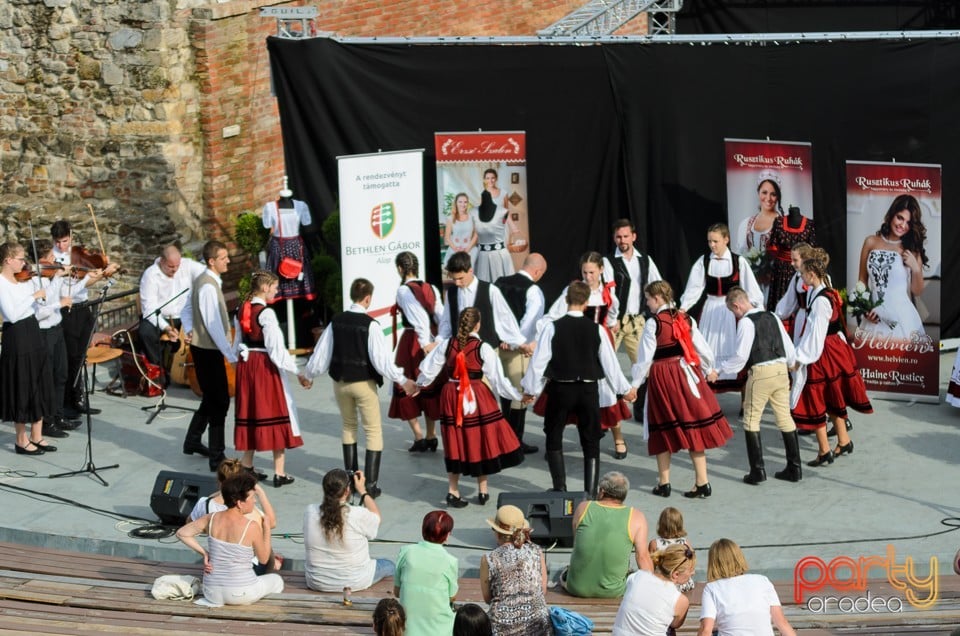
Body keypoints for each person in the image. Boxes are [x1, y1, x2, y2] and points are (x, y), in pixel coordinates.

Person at [301, 278, 417, 498]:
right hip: (364, 383)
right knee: (373, 431)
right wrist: (403, 380)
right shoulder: (370, 325)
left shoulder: (336, 321)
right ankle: (370, 485)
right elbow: (381, 362)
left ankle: (350, 480)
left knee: (348, 426)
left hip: (341, 383)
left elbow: (321, 355)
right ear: (367, 298)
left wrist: (308, 375)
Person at [525, 282, 636, 497]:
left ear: (567, 300)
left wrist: (530, 389)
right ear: (586, 303)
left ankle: (560, 489)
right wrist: (625, 390)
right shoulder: (597, 329)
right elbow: (610, 364)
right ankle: (591, 492)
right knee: (591, 439)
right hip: (587, 390)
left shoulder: (552, 327)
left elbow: (539, 362)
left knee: (553, 435)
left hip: (560, 389)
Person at [633, 280, 733, 499]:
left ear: (657, 298)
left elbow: (644, 360)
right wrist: (708, 369)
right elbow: (702, 347)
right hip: (687, 374)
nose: (647, 303)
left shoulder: (654, 323)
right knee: (693, 426)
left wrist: (634, 385)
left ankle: (664, 483)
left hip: (664, 376)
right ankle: (702, 481)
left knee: (661, 427)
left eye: (648, 299)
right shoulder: (685, 317)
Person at [417, 307, 524, 507]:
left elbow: (428, 369)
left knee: (455, 440)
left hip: (451, 395)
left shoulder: (446, 344)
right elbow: (498, 380)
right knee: (479, 437)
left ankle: (453, 491)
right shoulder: (482, 347)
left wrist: (418, 384)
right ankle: (483, 490)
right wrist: (518, 396)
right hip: (476, 395)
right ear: (478, 325)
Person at [538, 253, 632, 460]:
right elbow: (553, 315)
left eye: (591, 272)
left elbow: (613, 312)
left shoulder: (608, 291)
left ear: (600, 270)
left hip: (599, 341)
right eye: (584, 272)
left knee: (608, 389)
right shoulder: (573, 290)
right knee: (570, 391)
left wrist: (611, 325)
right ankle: (555, 444)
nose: (588, 276)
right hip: (575, 340)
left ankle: (618, 438)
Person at [711, 286, 802, 484]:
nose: (735, 315)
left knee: (751, 420)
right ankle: (795, 468)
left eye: (733, 311)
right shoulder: (772, 316)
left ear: (737, 305)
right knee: (785, 418)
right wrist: (790, 365)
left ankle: (757, 471)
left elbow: (741, 356)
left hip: (761, 373)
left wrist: (719, 371)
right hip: (780, 370)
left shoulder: (746, 322)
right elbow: (787, 345)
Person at [790, 254, 872, 467]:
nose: (801, 278)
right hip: (832, 348)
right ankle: (844, 441)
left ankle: (824, 450)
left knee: (816, 399)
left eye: (802, 274)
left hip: (824, 352)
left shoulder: (820, 302)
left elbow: (816, 335)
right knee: (830, 396)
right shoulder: (824, 291)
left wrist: (801, 357)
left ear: (812, 274)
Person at [233, 270, 302, 487]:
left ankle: (247, 465)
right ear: (265, 287)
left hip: (247, 365)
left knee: (252, 413)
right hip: (264, 366)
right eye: (274, 287)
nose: (276, 291)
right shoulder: (267, 314)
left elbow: (235, 345)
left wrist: (239, 366)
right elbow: (277, 351)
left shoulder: (240, 310)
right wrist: (299, 372)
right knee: (275, 412)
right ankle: (279, 472)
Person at [176, 472, 284, 606]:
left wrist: (205, 553)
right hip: (240, 592)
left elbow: (182, 533)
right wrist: (267, 529)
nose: (254, 501)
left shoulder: (211, 518)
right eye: (252, 497)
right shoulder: (251, 526)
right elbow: (263, 559)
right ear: (239, 503)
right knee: (277, 580)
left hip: (211, 592)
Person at [680, 222, 762, 396]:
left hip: (732, 311)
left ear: (726, 239)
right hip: (711, 310)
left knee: (735, 348)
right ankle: (709, 397)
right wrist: (683, 307)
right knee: (707, 348)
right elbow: (694, 288)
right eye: (710, 241)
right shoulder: (703, 261)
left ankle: (743, 398)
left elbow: (752, 289)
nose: (712, 245)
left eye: (715, 241)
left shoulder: (738, 261)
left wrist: (757, 310)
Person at [50, 220, 119, 418]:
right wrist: (93, 277)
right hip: (68, 311)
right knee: (70, 358)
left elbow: (86, 279)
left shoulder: (78, 254)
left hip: (84, 308)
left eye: (64, 241)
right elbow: (68, 290)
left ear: (71, 237)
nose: (61, 246)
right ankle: (67, 403)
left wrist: (103, 272)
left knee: (80, 357)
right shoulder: (53, 259)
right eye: (58, 242)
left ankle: (78, 398)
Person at [180, 240, 238, 471]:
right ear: (212, 261)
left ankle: (192, 440)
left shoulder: (205, 281)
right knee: (220, 401)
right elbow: (213, 326)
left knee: (212, 399)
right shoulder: (206, 286)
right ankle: (217, 456)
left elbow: (186, 309)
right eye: (224, 258)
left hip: (204, 348)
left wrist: (190, 328)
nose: (228, 261)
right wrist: (229, 355)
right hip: (208, 351)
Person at [603, 219, 664, 422]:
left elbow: (657, 284)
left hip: (638, 320)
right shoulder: (608, 261)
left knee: (643, 365)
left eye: (626, 236)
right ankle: (608, 410)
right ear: (614, 238)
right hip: (615, 321)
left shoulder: (644, 260)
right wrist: (614, 317)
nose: (622, 240)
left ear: (634, 237)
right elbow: (610, 292)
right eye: (619, 237)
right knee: (605, 363)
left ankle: (640, 409)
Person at [0, 241, 57, 456]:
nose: (25, 262)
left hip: (32, 329)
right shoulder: (1, 283)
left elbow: (36, 307)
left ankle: (37, 435)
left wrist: (42, 292)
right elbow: (12, 314)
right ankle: (21, 440)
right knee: (22, 383)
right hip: (16, 335)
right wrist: (33, 296)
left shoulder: (22, 281)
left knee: (38, 380)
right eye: (21, 258)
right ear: (8, 260)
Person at [560, 471, 653, 598]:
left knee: (563, 572)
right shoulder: (637, 517)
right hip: (614, 592)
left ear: (602, 491)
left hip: (576, 588)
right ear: (624, 494)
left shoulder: (583, 507)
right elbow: (642, 557)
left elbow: (578, 541)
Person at [303, 468, 394, 592]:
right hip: (354, 582)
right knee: (390, 565)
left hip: (317, 582)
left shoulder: (310, 511)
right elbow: (377, 517)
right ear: (347, 490)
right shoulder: (356, 514)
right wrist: (363, 491)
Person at [493, 252, 547, 454]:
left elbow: (493, 313)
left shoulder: (499, 283)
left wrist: (501, 339)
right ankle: (514, 441)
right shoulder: (534, 290)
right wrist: (516, 342)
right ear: (537, 271)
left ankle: (504, 438)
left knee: (503, 392)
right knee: (518, 395)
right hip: (518, 350)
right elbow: (530, 322)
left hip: (498, 347)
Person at [389, 251, 443, 452]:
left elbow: (418, 319)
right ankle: (430, 434)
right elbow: (441, 315)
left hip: (414, 340)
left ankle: (419, 436)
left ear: (401, 269)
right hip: (431, 337)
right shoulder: (431, 287)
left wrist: (425, 342)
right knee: (428, 383)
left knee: (406, 383)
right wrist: (438, 340)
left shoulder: (403, 291)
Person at [189, 458, 282, 574]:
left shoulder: (204, 503)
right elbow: (271, 523)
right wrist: (260, 492)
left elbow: (188, 525)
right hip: (248, 568)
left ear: (219, 479)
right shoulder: (245, 507)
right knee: (264, 542)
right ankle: (275, 564)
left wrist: (205, 553)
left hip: (219, 564)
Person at [856, 194, 928, 340]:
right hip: (874, 317)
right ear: (891, 214)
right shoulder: (870, 242)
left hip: (902, 319)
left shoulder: (912, 249)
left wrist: (915, 267)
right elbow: (862, 281)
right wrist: (865, 308)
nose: (903, 225)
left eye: (908, 222)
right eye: (900, 218)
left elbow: (917, 290)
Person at [697, 538, 796, 636]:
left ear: (713, 564)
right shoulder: (762, 580)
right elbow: (782, 623)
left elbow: (706, 630)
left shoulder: (712, 588)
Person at [32, 239, 79, 438]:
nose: (55, 261)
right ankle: (47, 421)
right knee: (48, 379)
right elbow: (38, 312)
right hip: (43, 332)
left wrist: (73, 278)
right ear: (40, 259)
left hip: (57, 328)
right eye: (51, 258)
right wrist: (58, 303)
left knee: (61, 374)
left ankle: (58, 415)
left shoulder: (52, 275)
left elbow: (69, 292)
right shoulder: (33, 280)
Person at [438, 251, 529, 355]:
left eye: (460, 278)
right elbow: (447, 322)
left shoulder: (490, 290)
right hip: (461, 353)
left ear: (470, 271)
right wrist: (439, 341)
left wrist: (518, 342)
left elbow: (504, 318)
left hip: (488, 352)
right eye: (454, 279)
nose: (457, 283)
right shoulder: (451, 293)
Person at [480, 505, 551, 636]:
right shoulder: (536, 551)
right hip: (539, 628)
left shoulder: (489, 559)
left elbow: (487, 598)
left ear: (497, 532)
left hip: (502, 629)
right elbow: (543, 590)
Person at [138, 244, 206, 374]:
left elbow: (207, 274)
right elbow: (149, 310)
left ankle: (197, 369)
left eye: (177, 266)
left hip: (184, 315)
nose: (175, 269)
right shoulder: (150, 275)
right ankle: (158, 370)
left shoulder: (187, 265)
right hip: (160, 317)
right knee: (145, 332)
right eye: (170, 266)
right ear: (162, 261)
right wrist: (166, 328)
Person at [395, 510, 459, 636]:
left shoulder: (406, 552)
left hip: (407, 630)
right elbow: (452, 597)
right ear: (447, 535)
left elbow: (397, 592)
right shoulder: (451, 561)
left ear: (423, 530)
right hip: (440, 630)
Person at [612, 543, 695, 636]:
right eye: (691, 569)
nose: (693, 572)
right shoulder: (680, 600)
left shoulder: (637, 576)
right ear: (675, 574)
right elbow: (675, 624)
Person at [262, 182, 316, 301]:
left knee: (297, 271)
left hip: (296, 247)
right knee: (278, 275)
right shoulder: (270, 207)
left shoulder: (301, 206)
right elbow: (267, 225)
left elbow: (306, 222)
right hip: (279, 248)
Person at [472, 168, 519, 282]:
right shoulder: (483, 194)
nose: (490, 180)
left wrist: (512, 228)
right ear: (484, 179)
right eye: (488, 178)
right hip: (488, 227)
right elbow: (482, 212)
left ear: (496, 179)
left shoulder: (503, 192)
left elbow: (507, 210)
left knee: (503, 251)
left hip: (502, 226)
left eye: (492, 178)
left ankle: (503, 276)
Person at [765, 206, 816, 311]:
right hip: (781, 269)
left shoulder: (809, 224)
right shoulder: (779, 222)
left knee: (800, 298)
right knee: (780, 298)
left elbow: (811, 250)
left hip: (801, 268)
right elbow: (773, 246)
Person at [648, 506, 695, 593]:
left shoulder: (655, 544)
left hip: (663, 585)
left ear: (661, 524)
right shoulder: (685, 543)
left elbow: (650, 568)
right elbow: (692, 566)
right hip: (683, 584)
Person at [736, 175, 783, 256]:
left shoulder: (783, 225)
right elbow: (740, 254)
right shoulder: (746, 223)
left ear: (778, 197)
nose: (768, 198)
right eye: (764, 192)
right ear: (758, 193)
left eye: (773, 194)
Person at [443, 192, 478, 270]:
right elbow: (447, 237)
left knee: (469, 272)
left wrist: (468, 249)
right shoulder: (450, 218)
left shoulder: (472, 217)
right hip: (455, 249)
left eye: (465, 202)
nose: (463, 204)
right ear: (456, 203)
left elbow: (476, 235)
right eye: (460, 202)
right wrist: (456, 249)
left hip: (469, 249)